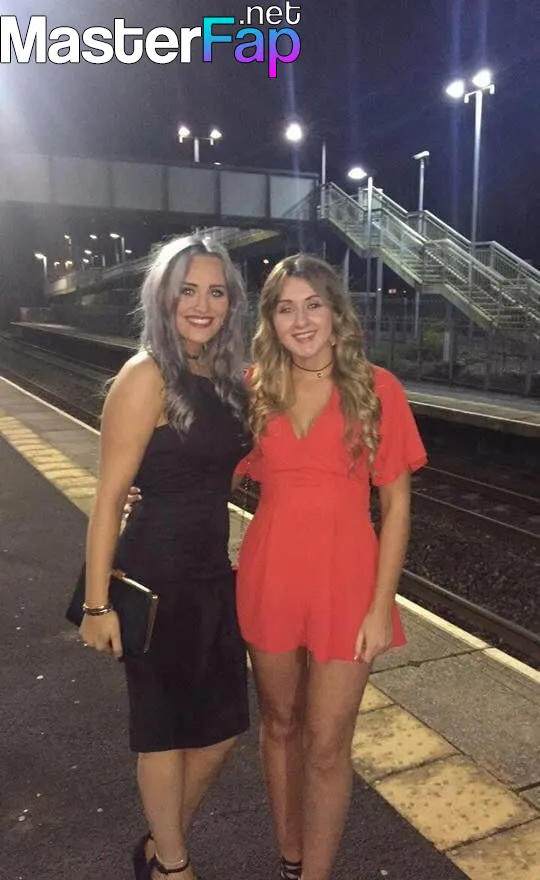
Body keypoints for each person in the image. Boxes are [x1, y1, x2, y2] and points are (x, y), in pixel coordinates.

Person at [233, 254, 427, 880]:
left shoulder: (377, 389)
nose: (301, 320)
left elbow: (396, 506)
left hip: (348, 585)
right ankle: (289, 858)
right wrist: (146, 492)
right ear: (270, 320)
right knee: (279, 725)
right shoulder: (253, 388)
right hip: (270, 577)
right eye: (286, 308)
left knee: (327, 743)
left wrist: (381, 605)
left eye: (313, 304)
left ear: (336, 313)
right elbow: (206, 471)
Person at [79, 236, 251, 880]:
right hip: (153, 577)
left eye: (215, 292)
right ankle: (173, 867)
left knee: (221, 731)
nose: (202, 305)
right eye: (188, 291)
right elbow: (108, 499)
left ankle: (158, 843)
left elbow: (214, 469)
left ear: (231, 303)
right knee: (163, 731)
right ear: (163, 298)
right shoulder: (145, 375)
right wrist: (97, 604)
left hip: (210, 576)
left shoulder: (221, 379)